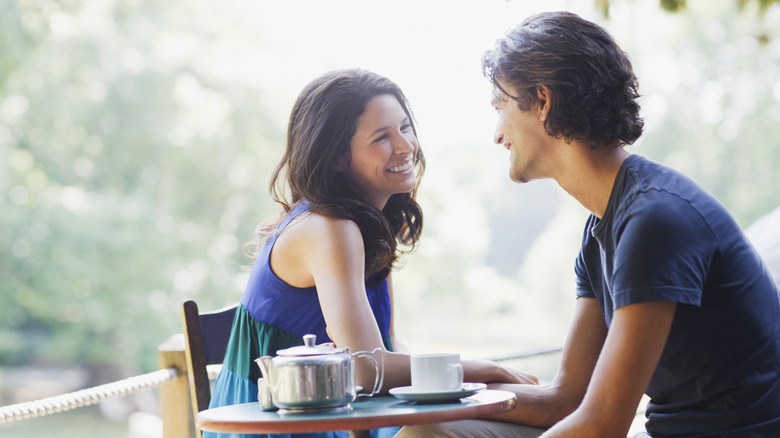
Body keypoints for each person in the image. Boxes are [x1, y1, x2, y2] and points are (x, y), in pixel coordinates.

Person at [396, 11, 780, 438]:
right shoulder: (601, 229)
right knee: (430, 431)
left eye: (500, 106)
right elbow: (568, 399)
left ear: (543, 102)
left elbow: (602, 424)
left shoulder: (654, 220)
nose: (497, 134)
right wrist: (437, 398)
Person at [205, 68, 536, 438]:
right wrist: (481, 368)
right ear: (337, 159)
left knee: (523, 411)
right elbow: (367, 368)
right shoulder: (330, 229)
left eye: (405, 127)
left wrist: (471, 378)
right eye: (381, 138)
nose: (405, 146)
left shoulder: (368, 228)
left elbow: (388, 347)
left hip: (353, 419)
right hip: (286, 429)